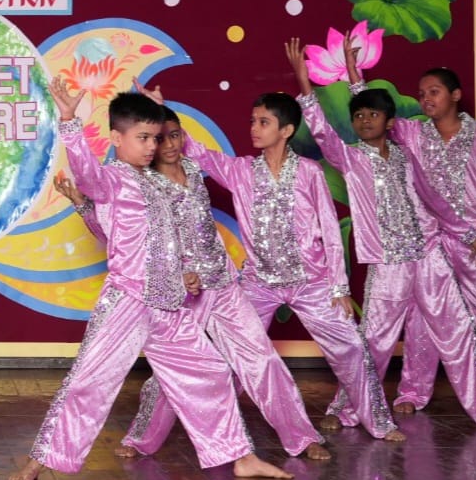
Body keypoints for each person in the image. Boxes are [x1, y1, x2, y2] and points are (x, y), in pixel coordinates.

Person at [9, 80, 292, 480]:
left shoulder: (157, 184)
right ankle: (40, 460)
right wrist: (69, 123)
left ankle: (240, 456)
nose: (150, 147)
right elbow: (86, 176)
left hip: (169, 302)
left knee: (211, 372)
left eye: (154, 138)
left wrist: (182, 273)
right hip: (127, 303)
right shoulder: (112, 179)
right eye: (142, 138)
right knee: (89, 383)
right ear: (116, 138)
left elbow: (167, 240)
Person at [62, 105, 329, 461]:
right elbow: (114, 236)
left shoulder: (192, 168)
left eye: (174, 135)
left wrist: (156, 104)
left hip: (223, 283)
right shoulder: (142, 182)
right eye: (159, 139)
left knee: (263, 360)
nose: (169, 144)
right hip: (182, 290)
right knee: (172, 378)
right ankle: (141, 437)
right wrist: (83, 205)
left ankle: (301, 436)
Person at [286, 38, 476, 432]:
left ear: (390, 122)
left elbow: (436, 202)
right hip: (389, 264)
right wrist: (305, 82)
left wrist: (468, 235)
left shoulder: (407, 154)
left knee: (459, 333)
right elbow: (325, 133)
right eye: (358, 116)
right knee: (374, 341)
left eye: (373, 115)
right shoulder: (351, 158)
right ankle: (346, 409)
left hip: (429, 256)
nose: (365, 120)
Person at [155, 83, 403, 441]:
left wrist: (339, 287)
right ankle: (217, 431)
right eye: (252, 121)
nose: (254, 128)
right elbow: (199, 153)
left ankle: (379, 423)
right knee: (231, 355)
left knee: (352, 348)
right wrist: (164, 113)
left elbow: (330, 230)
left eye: (263, 122)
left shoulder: (309, 172)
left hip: (311, 283)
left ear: (285, 130)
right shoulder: (241, 171)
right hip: (259, 284)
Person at [345, 61, 476, 420]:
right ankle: (413, 391)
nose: (425, 99)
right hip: (429, 238)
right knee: (421, 320)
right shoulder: (412, 132)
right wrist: (354, 77)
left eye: (433, 92)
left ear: (455, 95)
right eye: (422, 94)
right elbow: (374, 113)